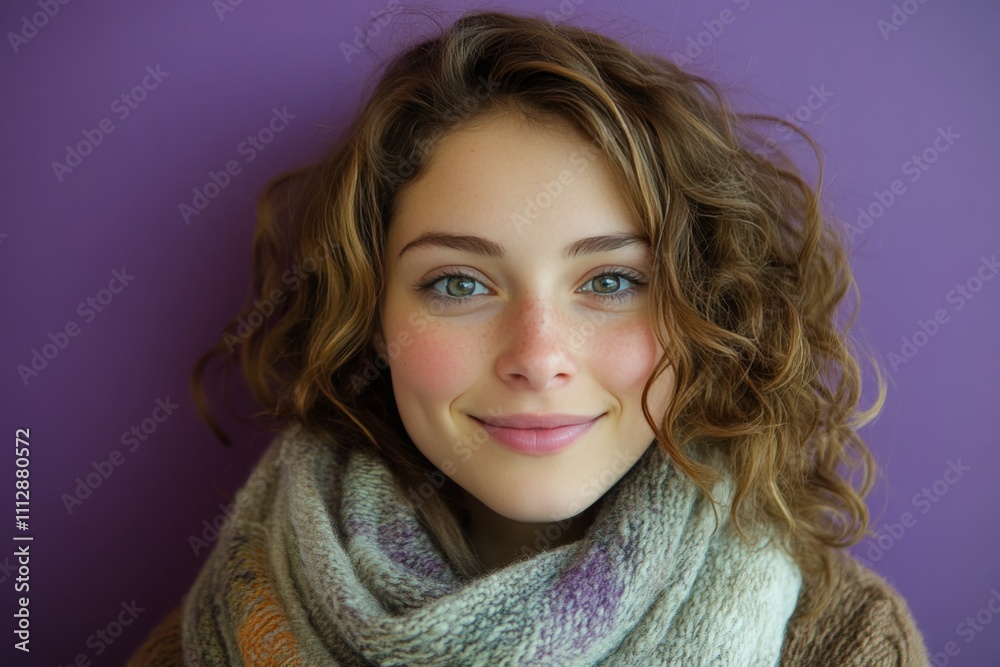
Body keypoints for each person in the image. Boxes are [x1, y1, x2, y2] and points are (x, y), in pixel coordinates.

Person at [128, 9, 931, 666]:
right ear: (372, 316)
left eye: (611, 282)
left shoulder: (842, 642)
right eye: (459, 283)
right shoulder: (224, 628)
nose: (537, 356)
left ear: (704, 310)